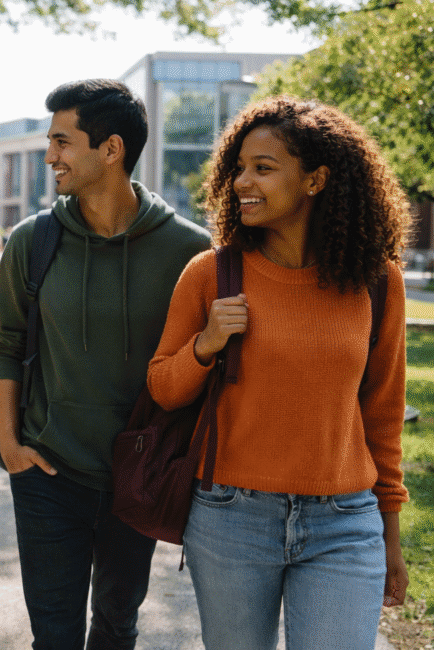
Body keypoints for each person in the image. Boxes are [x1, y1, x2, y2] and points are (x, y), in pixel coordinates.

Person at [147, 96, 412, 649]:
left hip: (345, 522)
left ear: (315, 180)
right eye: (239, 167)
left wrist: (390, 535)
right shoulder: (211, 273)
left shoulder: (376, 281)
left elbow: (383, 415)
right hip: (230, 519)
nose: (242, 182)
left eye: (263, 169)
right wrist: (206, 344)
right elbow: (163, 388)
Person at [0, 79, 211, 649]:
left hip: (136, 476)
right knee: (53, 636)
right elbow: (5, 342)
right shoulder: (33, 240)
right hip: (46, 470)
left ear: (111, 149)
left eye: (62, 141)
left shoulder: (190, 251)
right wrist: (11, 444)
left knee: (116, 625)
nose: (50, 156)